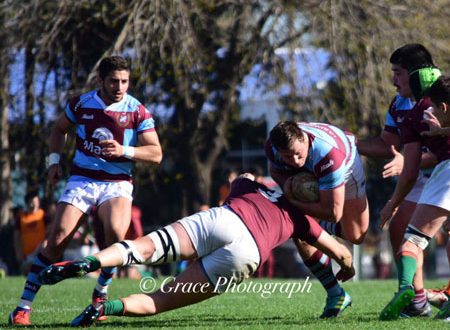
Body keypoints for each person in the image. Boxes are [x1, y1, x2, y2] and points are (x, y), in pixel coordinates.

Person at [38, 173, 355, 326]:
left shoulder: (252, 187)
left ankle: (89, 261)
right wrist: (347, 267)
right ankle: (102, 309)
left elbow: (239, 177)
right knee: (158, 299)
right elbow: (340, 252)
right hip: (247, 252)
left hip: (224, 219)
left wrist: (260, 180)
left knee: (141, 248)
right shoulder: (301, 219)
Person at [8, 56, 163, 326]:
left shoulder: (137, 110)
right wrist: (54, 162)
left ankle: (100, 295)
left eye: (124, 81)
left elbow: (156, 153)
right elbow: (59, 129)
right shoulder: (82, 104)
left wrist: (124, 150)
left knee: (116, 237)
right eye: (114, 81)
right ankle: (22, 308)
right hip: (82, 179)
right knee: (56, 241)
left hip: (117, 183)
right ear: (101, 80)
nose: (120, 86)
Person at [356, 44, 439, 317]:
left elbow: (441, 152)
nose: (393, 79)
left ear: (417, 74)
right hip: (420, 174)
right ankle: (416, 300)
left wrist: (408, 162)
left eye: (399, 73)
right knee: (401, 231)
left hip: (441, 172)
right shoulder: (402, 102)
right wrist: (348, 143)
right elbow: (387, 144)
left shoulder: (440, 96)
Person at [265, 120, 368, 317]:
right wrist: (288, 185)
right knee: (301, 230)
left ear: (304, 139)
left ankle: (319, 231)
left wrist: (293, 202)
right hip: (317, 166)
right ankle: (335, 294)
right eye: (288, 156)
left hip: (346, 164)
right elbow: (275, 170)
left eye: (298, 153)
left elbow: (333, 213)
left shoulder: (328, 155)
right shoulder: (273, 147)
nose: (294, 160)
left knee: (356, 235)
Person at [379, 75, 450, 321]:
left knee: (411, 243)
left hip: (447, 175)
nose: (428, 110)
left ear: (444, 107)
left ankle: (408, 291)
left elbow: (409, 173)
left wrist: (392, 204)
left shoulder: (413, 118)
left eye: (433, 107)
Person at [13, 192, 47, 275]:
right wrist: (18, 253)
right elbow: (16, 237)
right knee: (27, 272)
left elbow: (50, 231)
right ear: (27, 203)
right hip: (26, 255)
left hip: (40, 252)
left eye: (36, 202)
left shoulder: (43, 215)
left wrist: (46, 244)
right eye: (32, 202)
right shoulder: (21, 218)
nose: (34, 204)